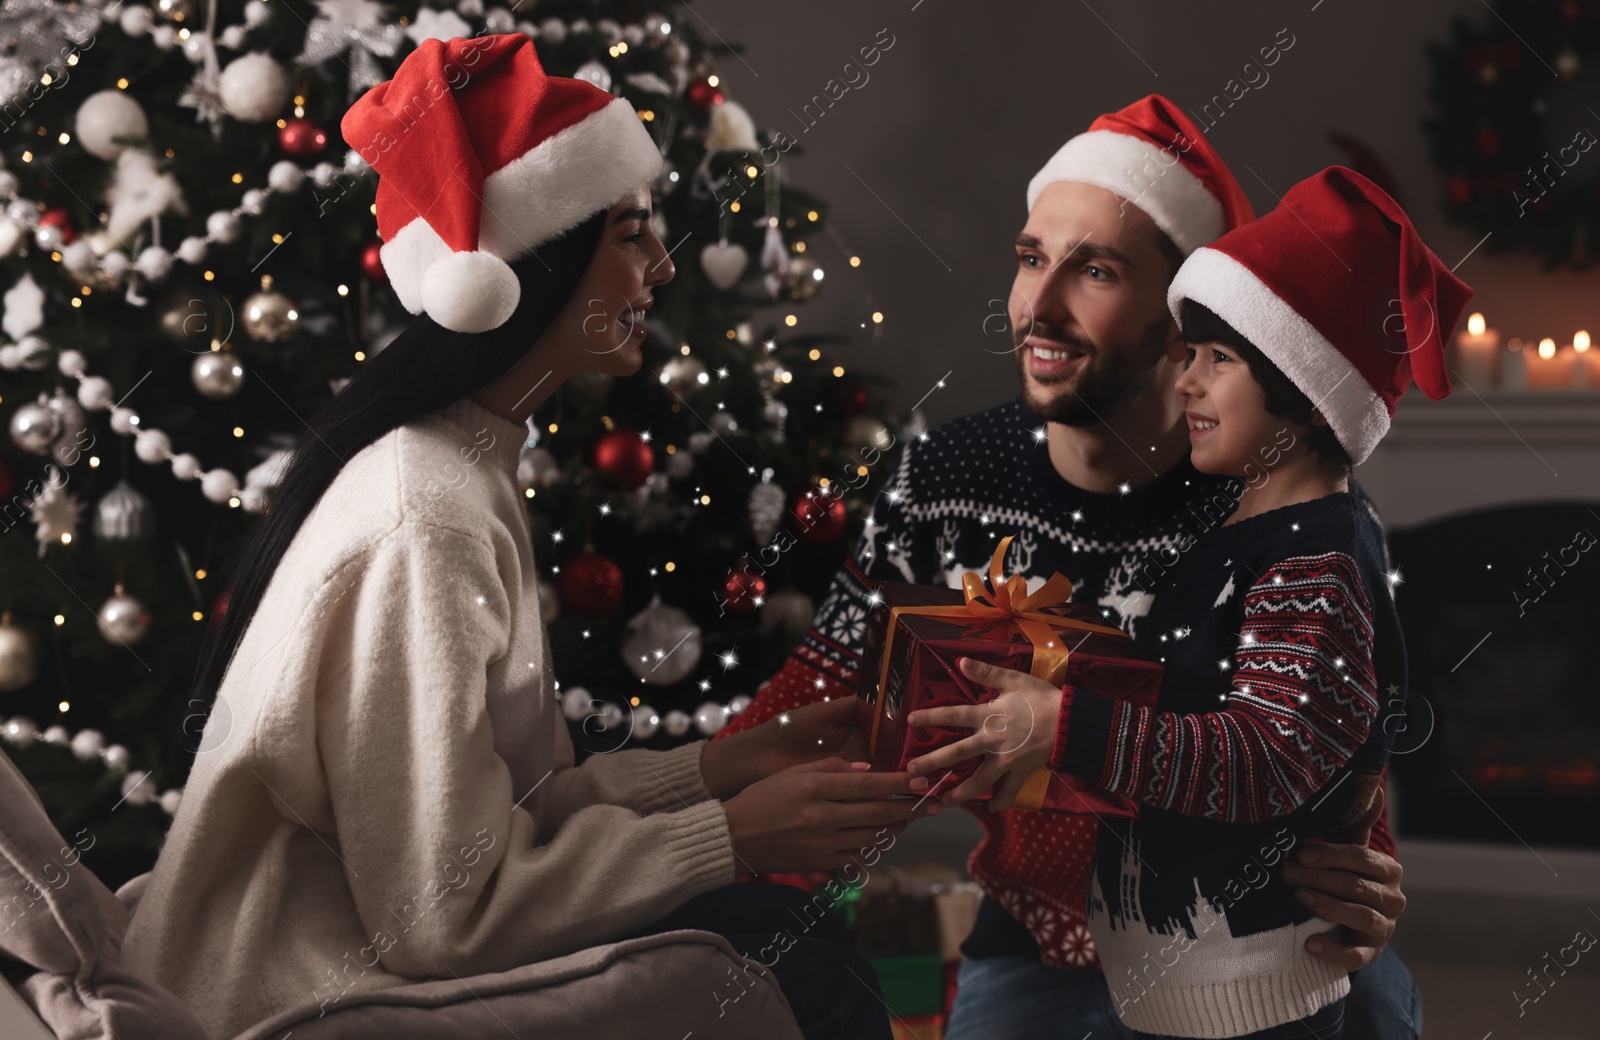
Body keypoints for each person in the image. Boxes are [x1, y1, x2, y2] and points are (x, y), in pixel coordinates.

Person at [121, 35, 934, 1040]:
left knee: (786, 936)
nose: (663, 266)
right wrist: (726, 835)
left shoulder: (464, 467)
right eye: (631, 234)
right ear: (536, 261)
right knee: (789, 955)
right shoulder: (429, 513)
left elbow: (506, 812)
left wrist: (718, 769)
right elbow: (436, 916)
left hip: (373, 956)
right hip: (308, 996)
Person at [715, 97, 1419, 1038]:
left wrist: (1365, 864)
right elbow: (823, 694)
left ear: (1184, 318)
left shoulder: (1281, 505)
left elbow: (1334, 731)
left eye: (1095, 270)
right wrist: (706, 850)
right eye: (1031, 257)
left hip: (1246, 935)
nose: (1037, 308)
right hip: (1040, 939)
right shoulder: (941, 483)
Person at [906, 166, 1470, 1038]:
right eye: (1031, 257)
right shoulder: (1244, 518)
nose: (1187, 380)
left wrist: (1066, 728)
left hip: (1248, 976)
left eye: (1217, 359)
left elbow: (1291, 748)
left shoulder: (1309, 551)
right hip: (1149, 960)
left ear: (1302, 383)